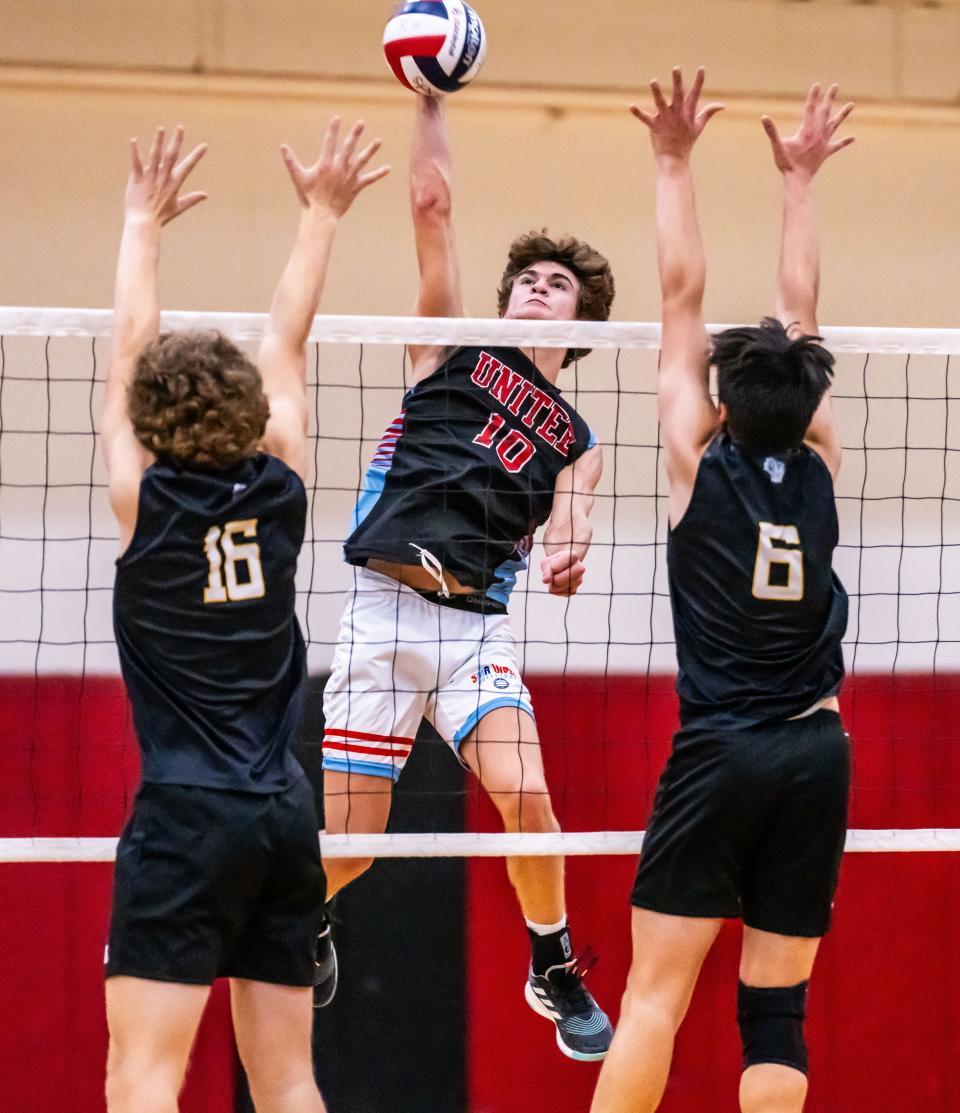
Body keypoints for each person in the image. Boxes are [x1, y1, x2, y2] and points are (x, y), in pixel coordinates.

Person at [316, 93, 613, 1061]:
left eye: (557, 283)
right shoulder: (451, 345)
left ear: (585, 326)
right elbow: (433, 207)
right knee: (349, 848)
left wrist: (570, 549)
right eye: (525, 276)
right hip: (381, 610)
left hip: (473, 629)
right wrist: (429, 99)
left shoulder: (574, 438)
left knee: (526, 792)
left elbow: (573, 513)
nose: (535, 286)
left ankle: (552, 961)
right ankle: (296, 913)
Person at [101, 118, 388, 1113]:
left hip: (186, 816)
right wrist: (321, 214)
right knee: (288, 1077)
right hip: (280, 816)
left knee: (142, 1073)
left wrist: (143, 222)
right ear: (252, 415)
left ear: (147, 420)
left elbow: (128, 347)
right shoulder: (283, 488)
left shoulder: (145, 500)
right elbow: (288, 343)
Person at [590, 71, 854, 1113]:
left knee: (655, 998)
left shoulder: (695, 462)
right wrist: (801, 182)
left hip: (721, 749)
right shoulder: (825, 456)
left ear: (719, 399)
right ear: (807, 398)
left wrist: (670, 161)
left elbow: (680, 298)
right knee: (776, 1013)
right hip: (816, 748)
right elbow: (802, 313)